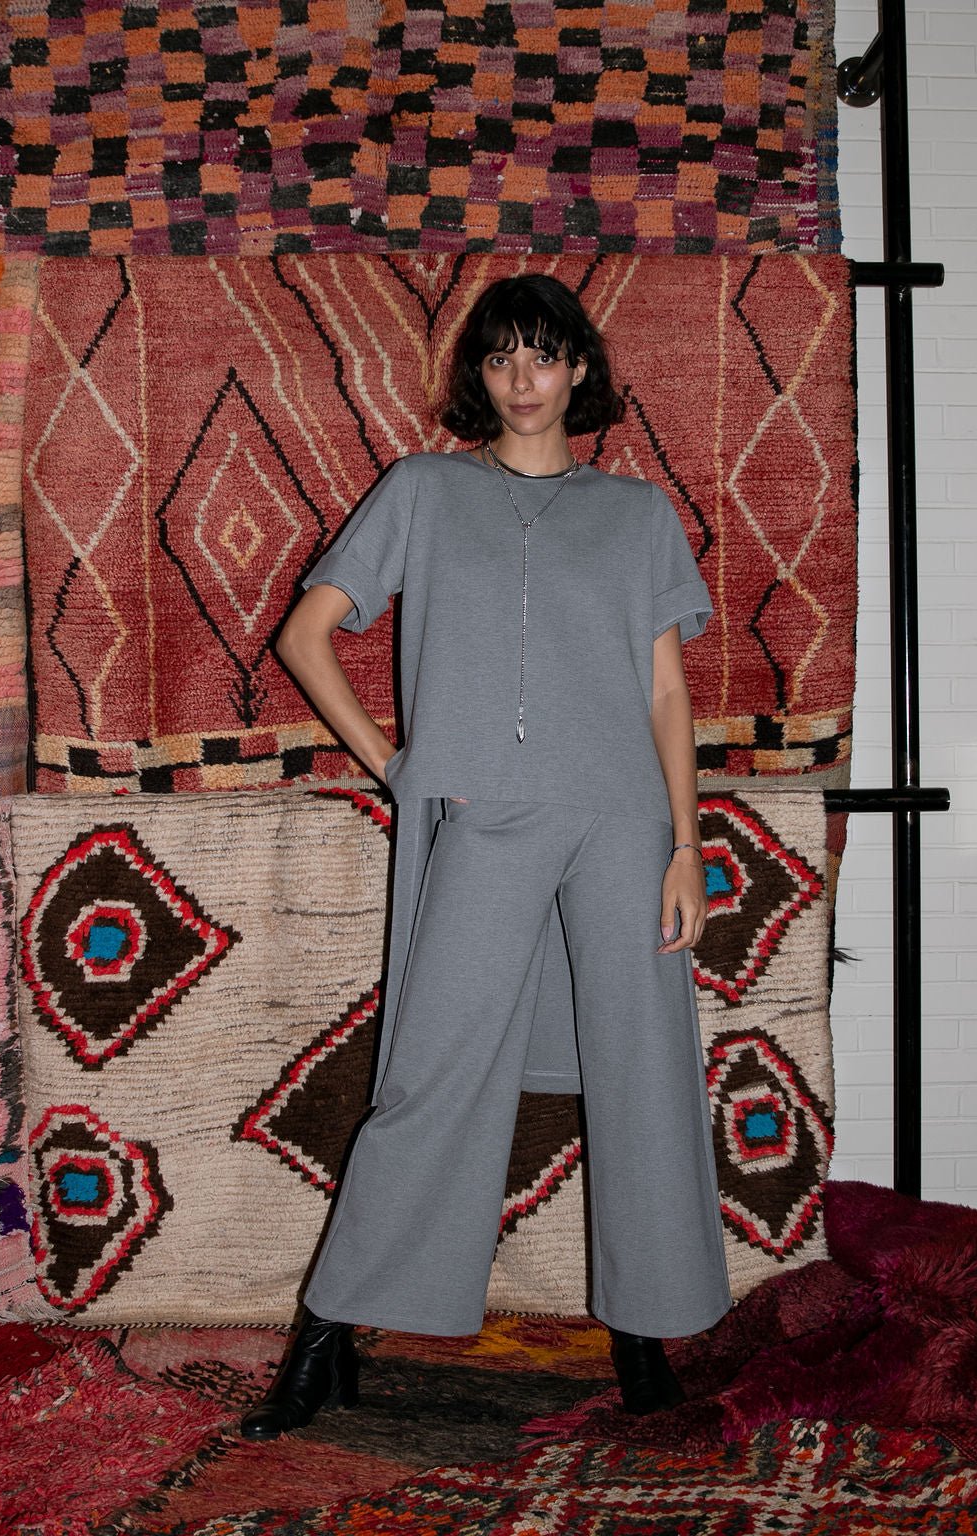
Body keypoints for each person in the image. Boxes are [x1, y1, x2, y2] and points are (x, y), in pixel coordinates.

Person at [239, 273, 732, 1441]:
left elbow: (666, 693)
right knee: (431, 1072)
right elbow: (307, 635)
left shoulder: (636, 514)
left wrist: (684, 842)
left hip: (622, 818)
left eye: (542, 356)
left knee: (644, 1066)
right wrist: (397, 765)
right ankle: (328, 1335)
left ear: (578, 370)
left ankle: (646, 1334)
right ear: (479, 375)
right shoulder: (424, 489)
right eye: (501, 358)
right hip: (485, 817)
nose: (522, 380)